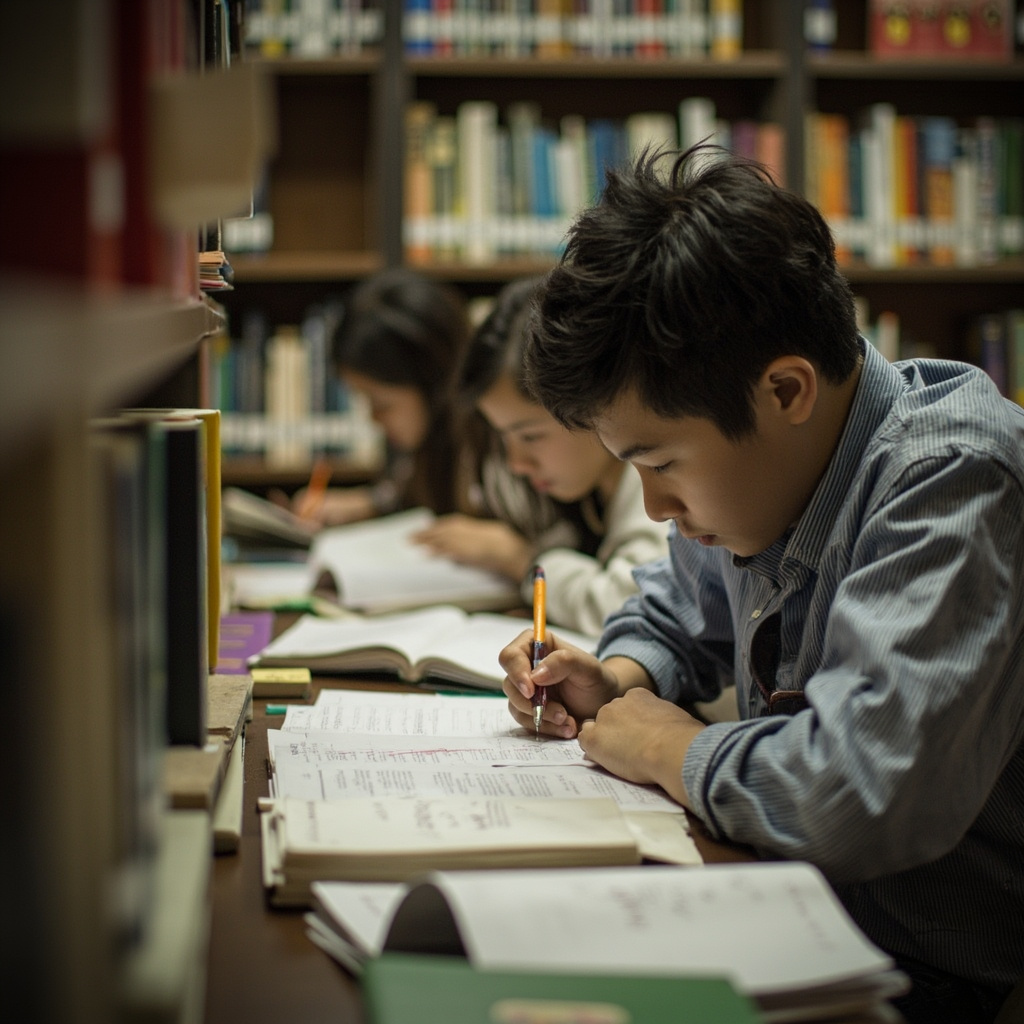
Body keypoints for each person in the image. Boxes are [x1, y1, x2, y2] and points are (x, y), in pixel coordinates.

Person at [498, 146, 1024, 1024]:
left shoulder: (951, 479)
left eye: (660, 463)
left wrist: (669, 747)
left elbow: (861, 792)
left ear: (786, 390)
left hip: (918, 979)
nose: (656, 506)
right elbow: (674, 611)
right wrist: (619, 679)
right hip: (785, 915)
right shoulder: (766, 474)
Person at [415, 276, 670, 636]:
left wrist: (523, 562)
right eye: (503, 438)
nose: (516, 463)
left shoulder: (657, 484)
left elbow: (632, 605)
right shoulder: (589, 492)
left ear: (591, 402)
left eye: (530, 436)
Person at [291, 267, 478, 524]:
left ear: (434, 383)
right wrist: (368, 504)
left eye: (381, 403)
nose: (374, 418)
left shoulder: (491, 445)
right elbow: (404, 498)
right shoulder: (428, 446)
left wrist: (511, 549)